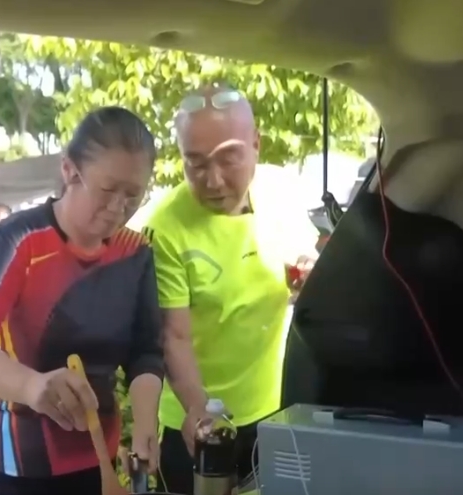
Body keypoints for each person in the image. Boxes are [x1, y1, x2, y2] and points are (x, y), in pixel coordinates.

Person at [0, 107, 164, 495]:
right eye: (107, 190)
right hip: (5, 460)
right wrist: (32, 387)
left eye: (133, 195)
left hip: (94, 459)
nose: (118, 208)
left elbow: (146, 351)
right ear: (69, 171)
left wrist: (146, 422)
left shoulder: (135, 251)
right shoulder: (18, 240)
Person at [144, 84, 320, 493]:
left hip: (272, 412)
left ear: (256, 144)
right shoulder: (165, 228)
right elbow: (173, 336)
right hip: (197, 422)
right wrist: (198, 409)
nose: (214, 180)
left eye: (228, 158)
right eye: (195, 163)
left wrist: (313, 277)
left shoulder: (279, 193)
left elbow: (306, 265)